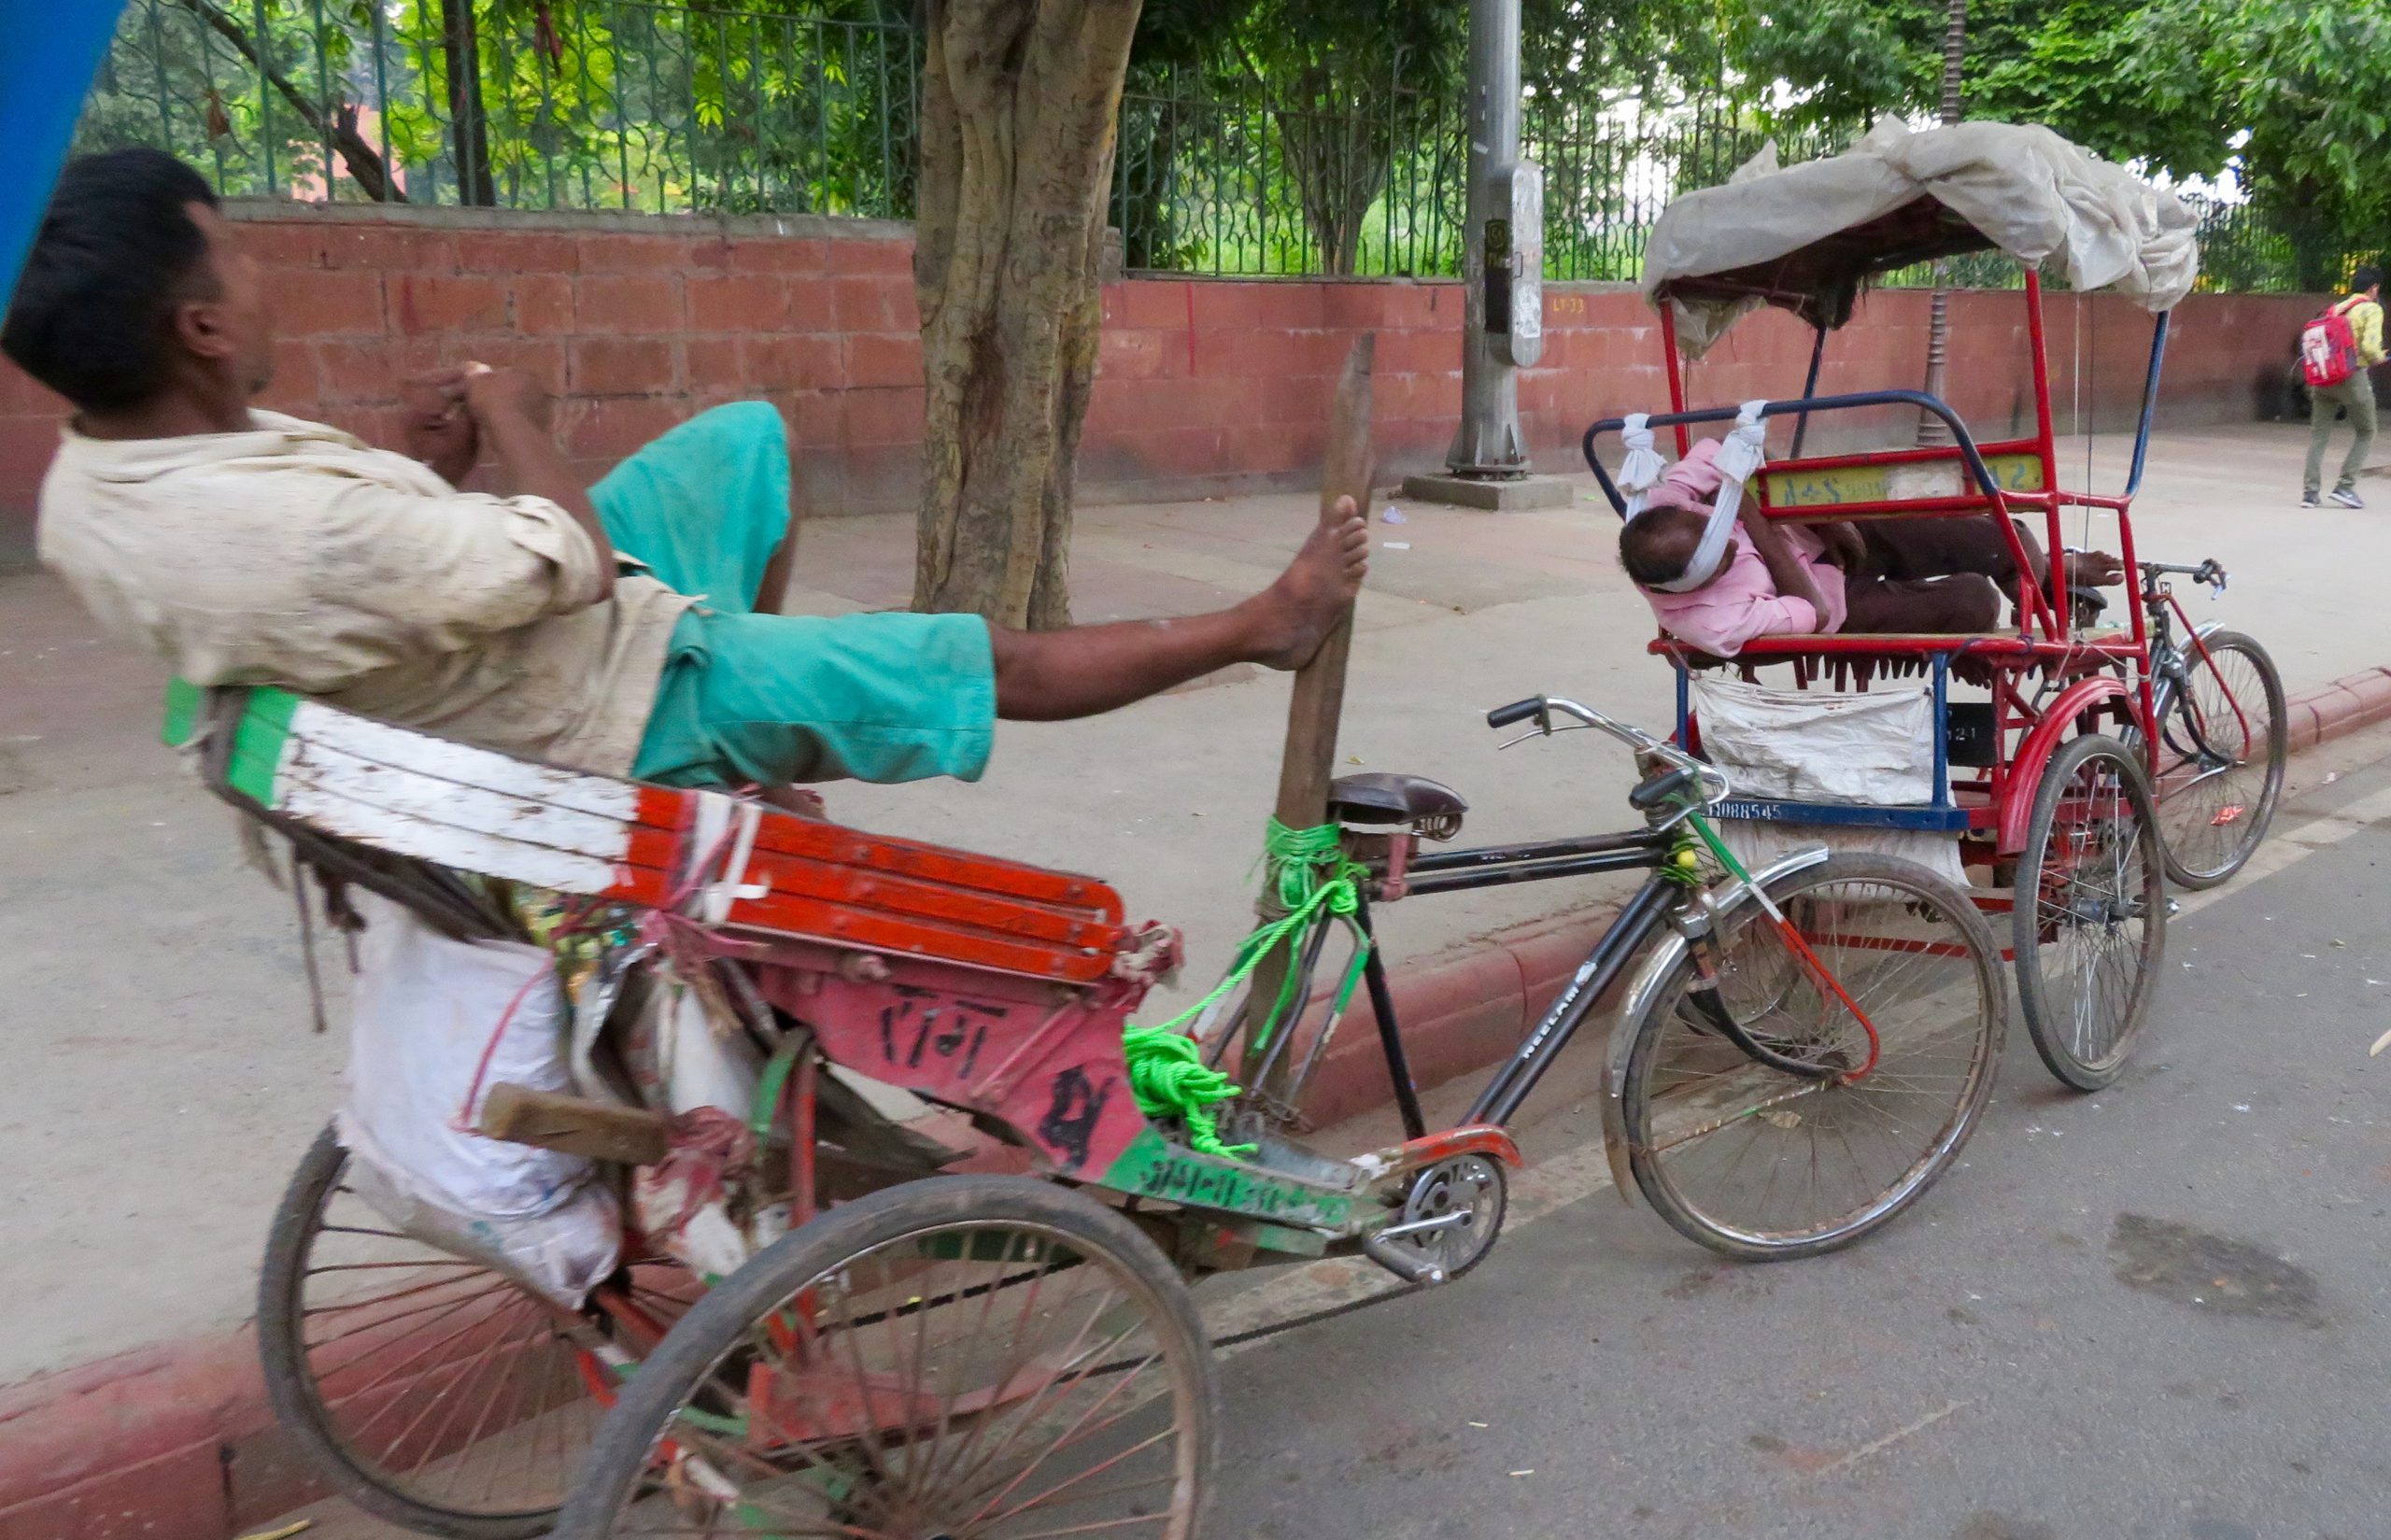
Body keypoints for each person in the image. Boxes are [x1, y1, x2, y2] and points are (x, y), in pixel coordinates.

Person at [5, 149, 1368, 796]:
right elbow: (569, 558)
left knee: (750, 441)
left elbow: (340, 547)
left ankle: (754, 704)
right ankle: (1263, 624)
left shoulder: (98, 484)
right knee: (975, 656)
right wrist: (513, 412)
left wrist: (420, 469)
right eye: (230, 252)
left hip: (495, 640)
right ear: (201, 327)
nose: (255, 265)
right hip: (591, 695)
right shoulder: (297, 540)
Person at [1619, 437, 2121, 659]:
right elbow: (1812, 612)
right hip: (1839, 604)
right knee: (1975, 603)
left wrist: (1823, 517)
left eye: (1719, 524)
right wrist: (1747, 513)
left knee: (2000, 533)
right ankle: (2043, 577)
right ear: (1701, 581)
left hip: (1825, 536)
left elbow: (1732, 451)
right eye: (1726, 555)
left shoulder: (1662, 505)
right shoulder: (1709, 619)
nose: (1731, 536)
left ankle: (2045, 574)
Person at [2302, 264, 2384, 510]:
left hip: (2325, 377)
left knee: (2319, 435)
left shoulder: (2336, 308)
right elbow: (2370, 349)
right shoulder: (2371, 309)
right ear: (2374, 288)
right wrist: (2379, 358)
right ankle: (2345, 486)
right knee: (2367, 431)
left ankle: (2310, 493)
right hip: (2352, 377)